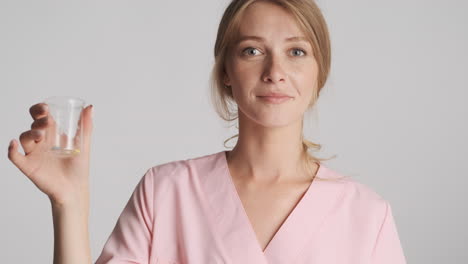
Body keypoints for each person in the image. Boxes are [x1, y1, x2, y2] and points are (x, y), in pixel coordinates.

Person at [7, 0, 407, 263]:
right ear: (227, 72)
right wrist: (69, 203)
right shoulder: (165, 192)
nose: (275, 72)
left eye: (297, 52)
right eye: (252, 50)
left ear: (320, 73)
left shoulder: (367, 216)